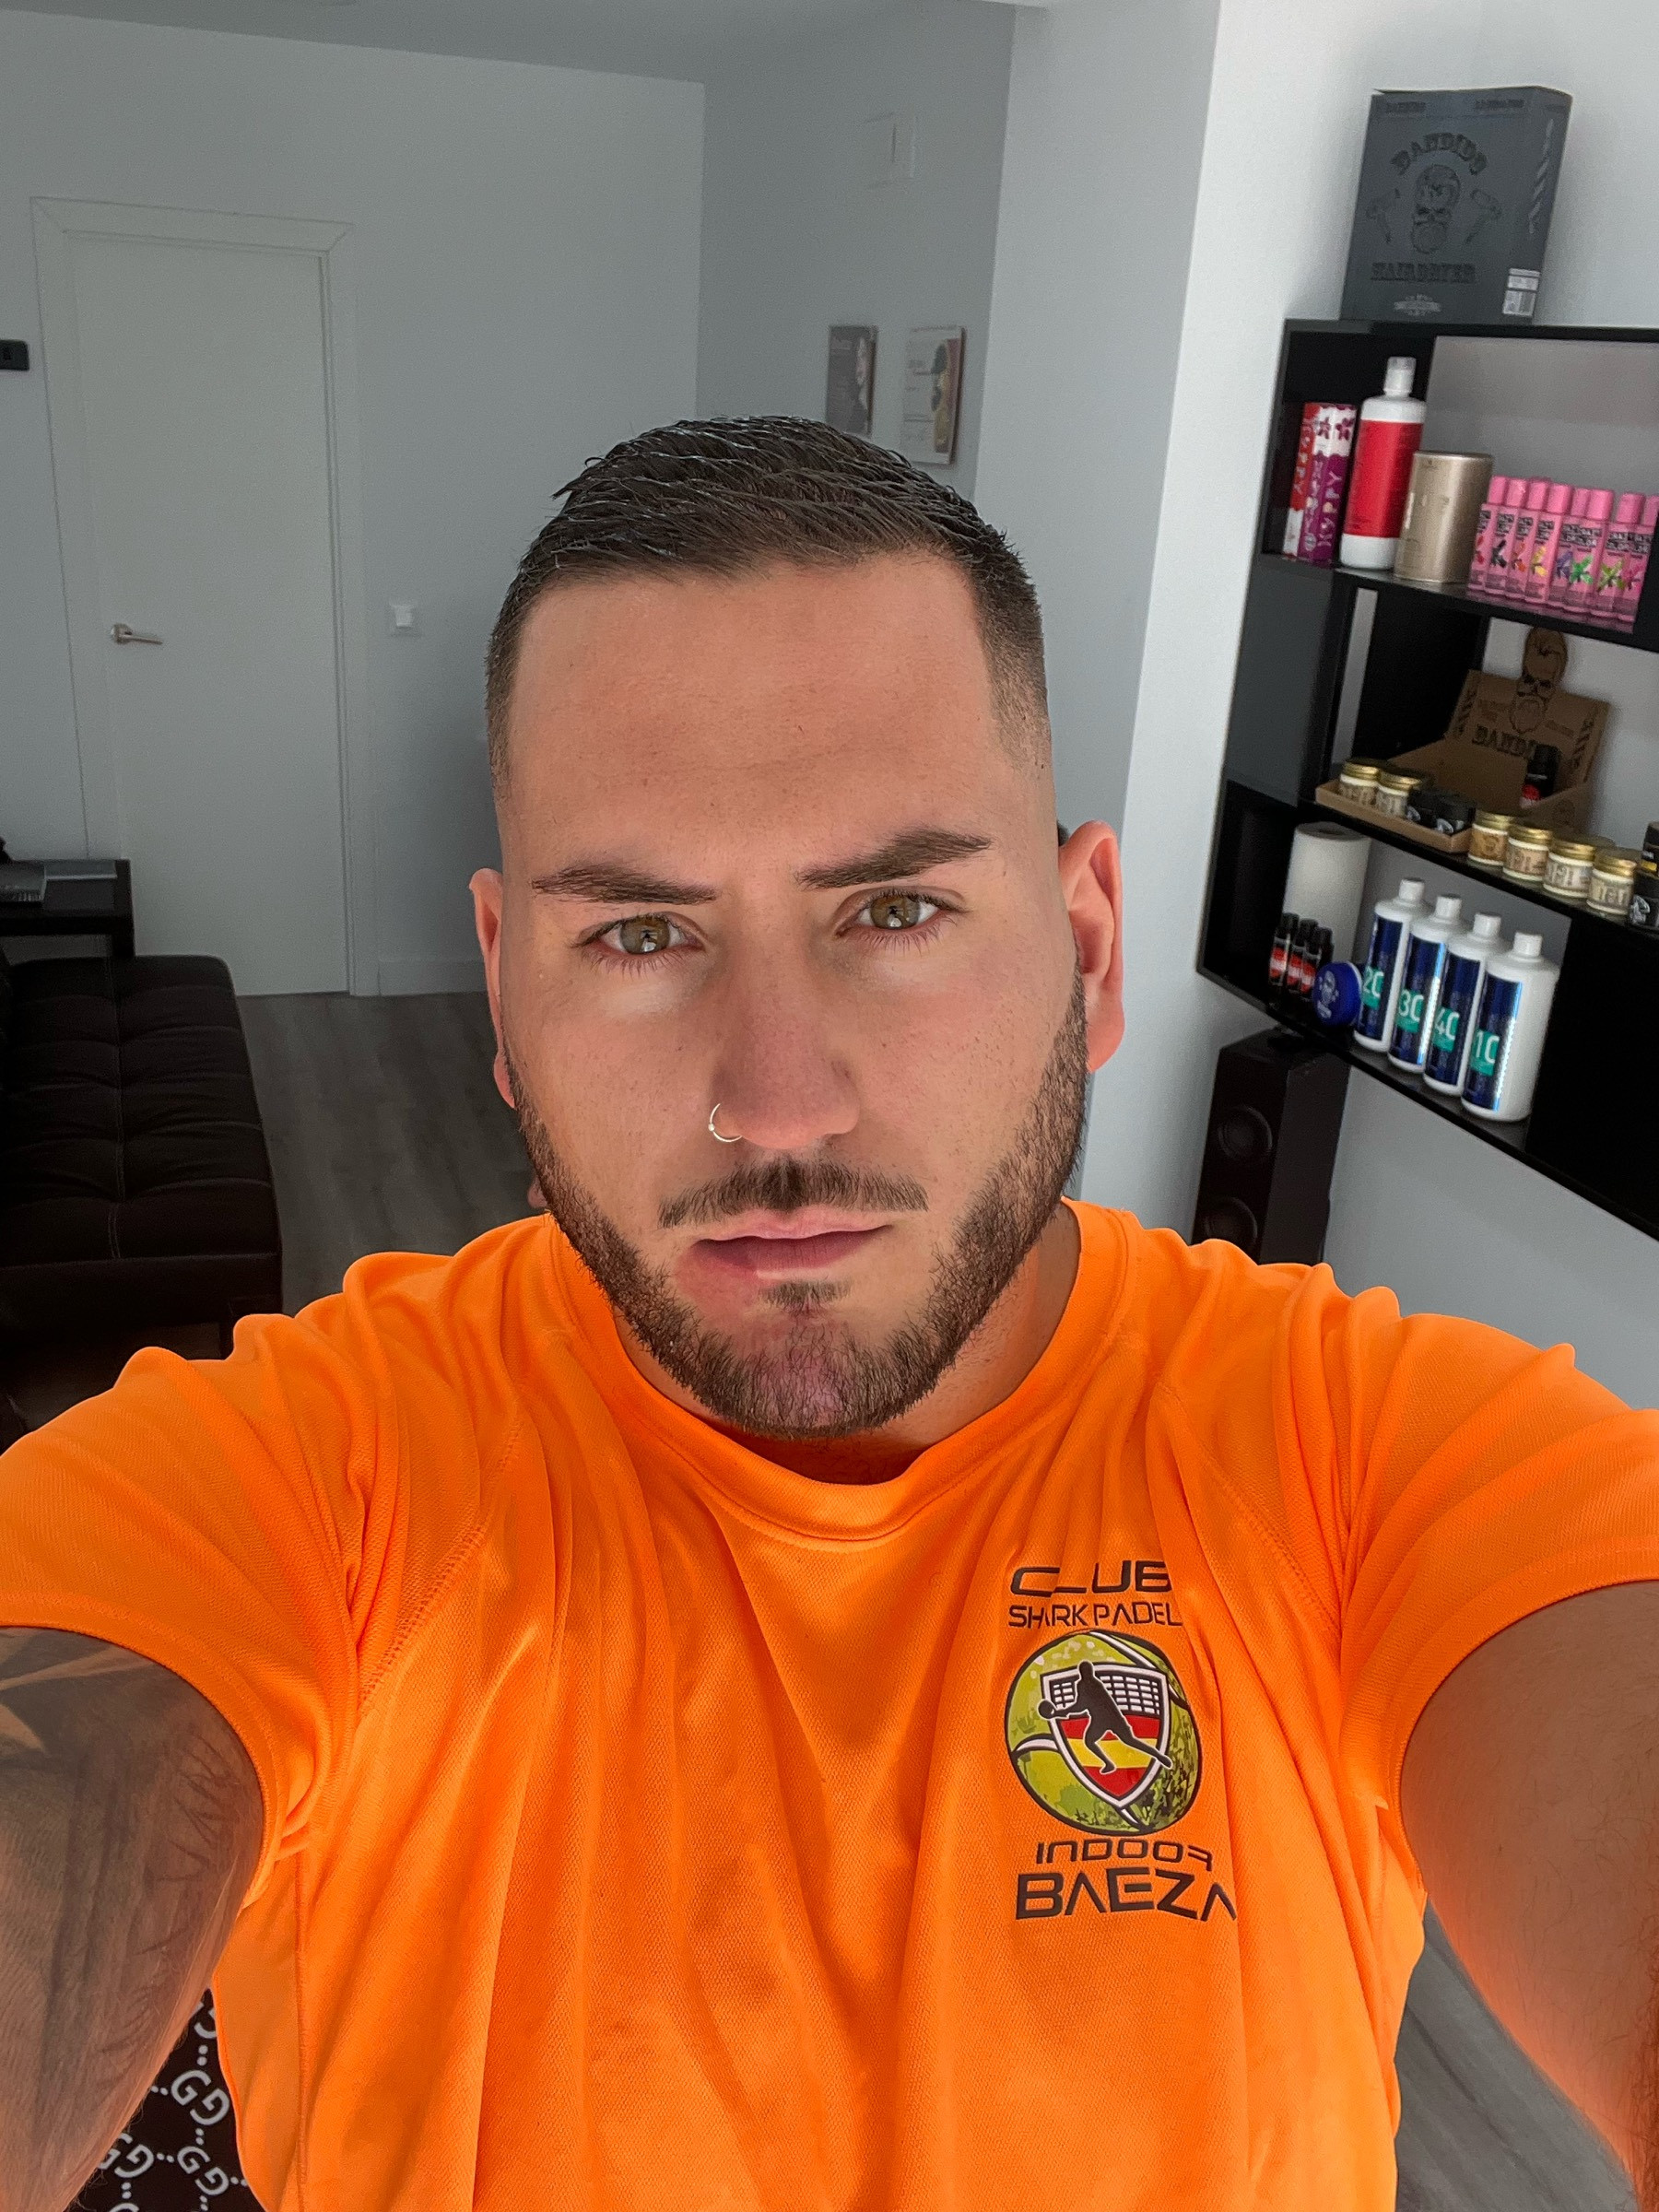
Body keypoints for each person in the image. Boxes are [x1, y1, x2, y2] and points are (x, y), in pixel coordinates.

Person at [1, 417, 1656, 2212]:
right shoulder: (304, 1481)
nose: (776, 1104)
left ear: (1089, 949)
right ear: (502, 994)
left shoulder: (1377, 1464)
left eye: (896, 908)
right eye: (641, 935)